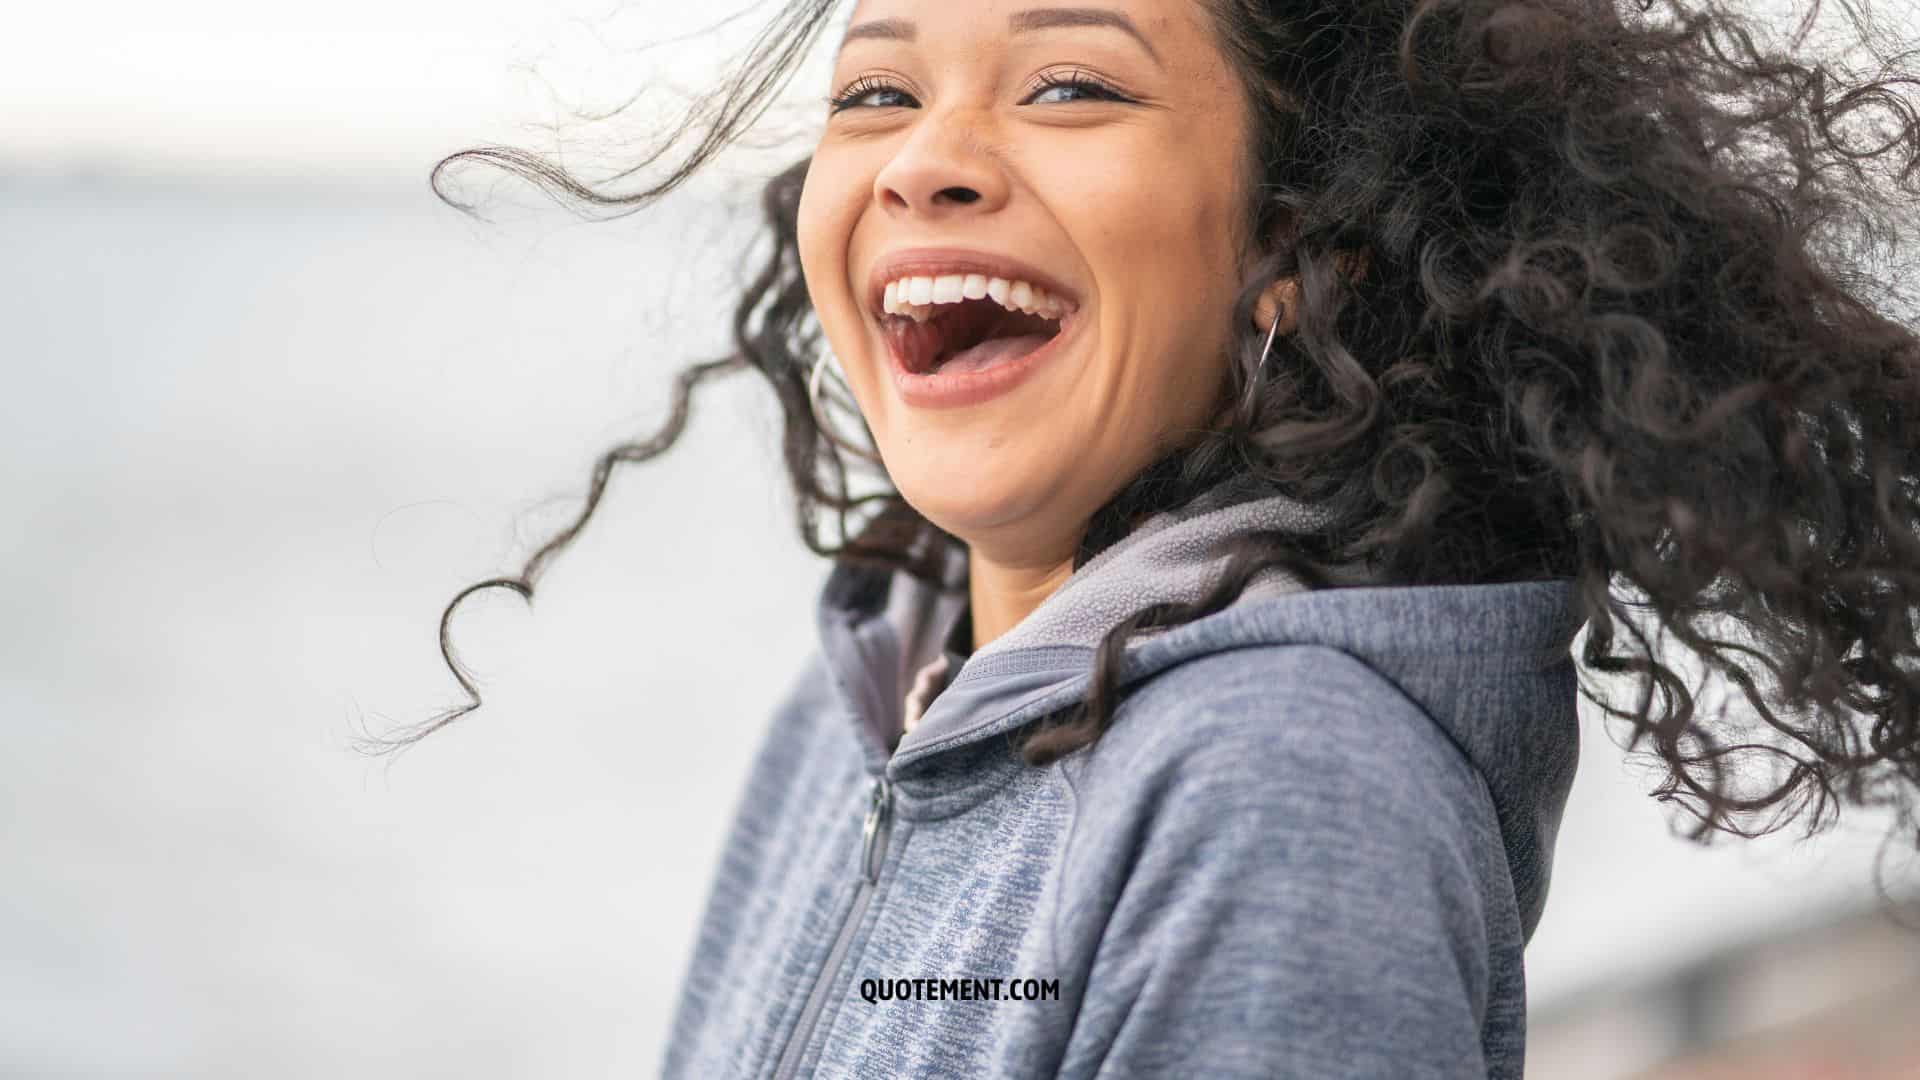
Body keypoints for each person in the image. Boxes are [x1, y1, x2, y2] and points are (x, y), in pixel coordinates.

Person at [372, 0, 1920, 1075]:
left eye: (1070, 86)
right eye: (875, 93)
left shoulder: (1286, 794)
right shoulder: (871, 687)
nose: (927, 159)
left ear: (1284, 252)